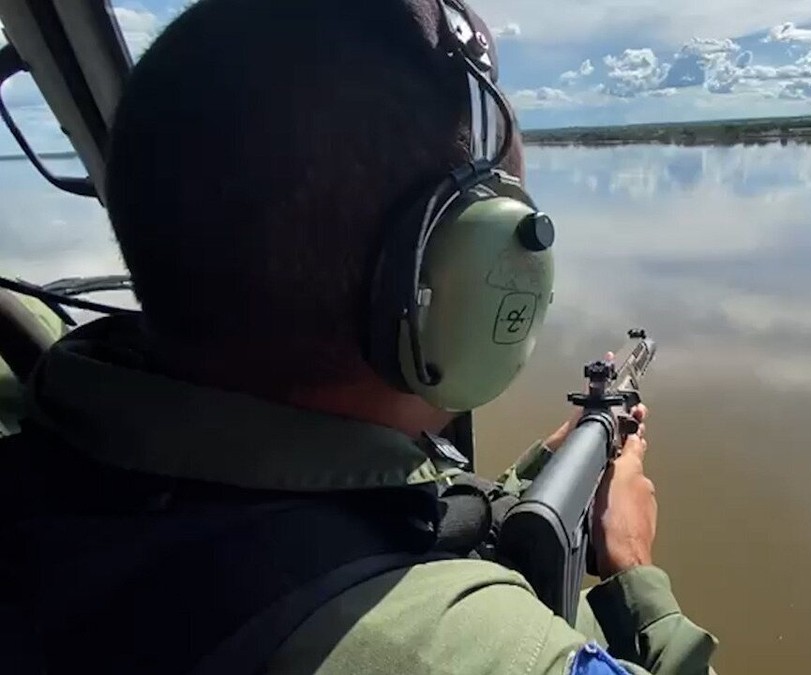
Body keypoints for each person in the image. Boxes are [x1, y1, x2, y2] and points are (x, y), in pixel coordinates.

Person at [0, 0, 718, 673]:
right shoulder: (475, 653)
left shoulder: (50, 446)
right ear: (462, 272)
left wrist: (533, 476)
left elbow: (336, 519)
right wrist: (634, 573)